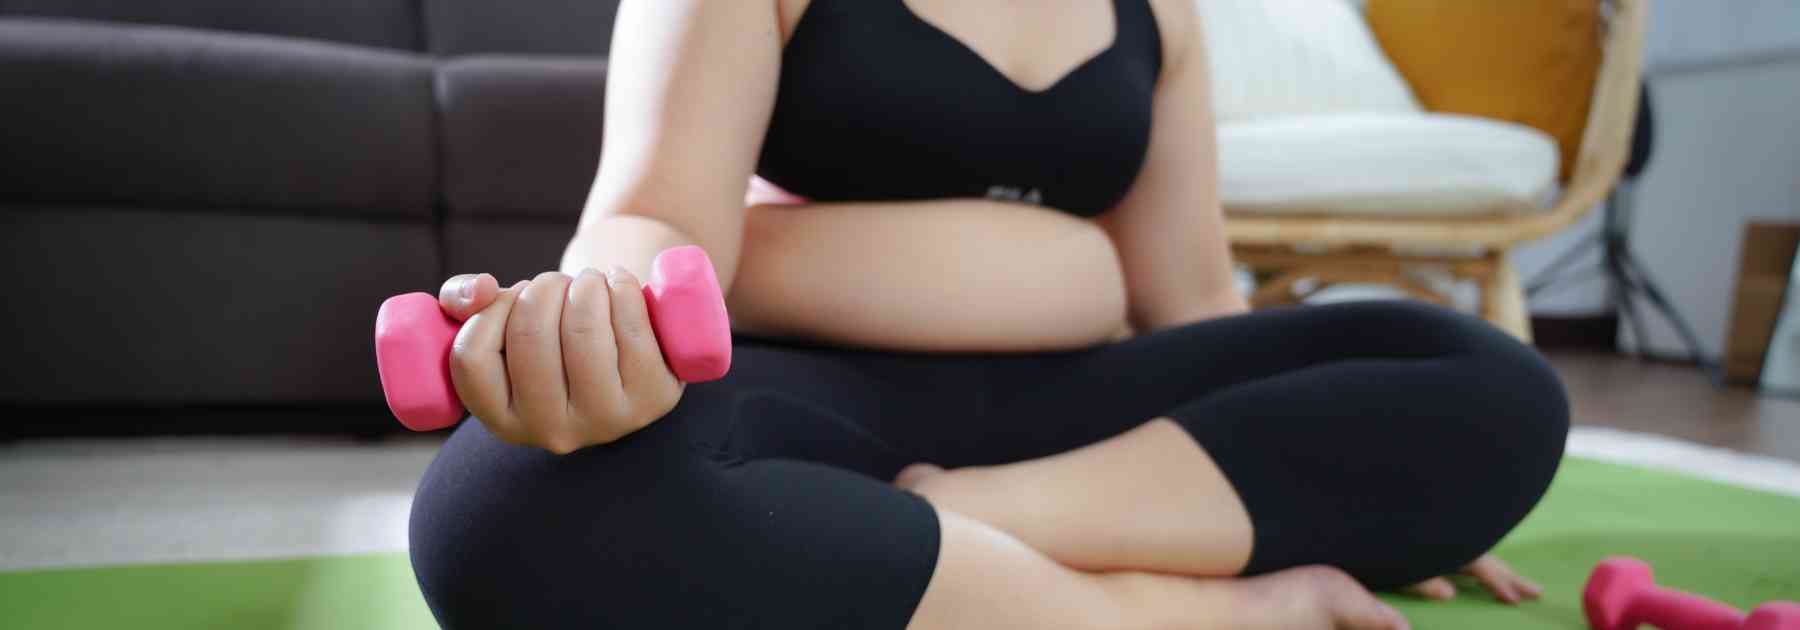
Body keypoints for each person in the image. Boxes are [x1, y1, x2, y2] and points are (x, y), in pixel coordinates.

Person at [407, 1, 1569, 628]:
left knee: (1493, 387)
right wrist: (599, 313)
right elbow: (657, 216)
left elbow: (1193, 304)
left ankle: (963, 524)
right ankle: (1173, 614)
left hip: (1073, 418)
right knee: (499, 509)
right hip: (815, 393)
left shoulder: (1160, 12)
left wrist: (1335, 458)